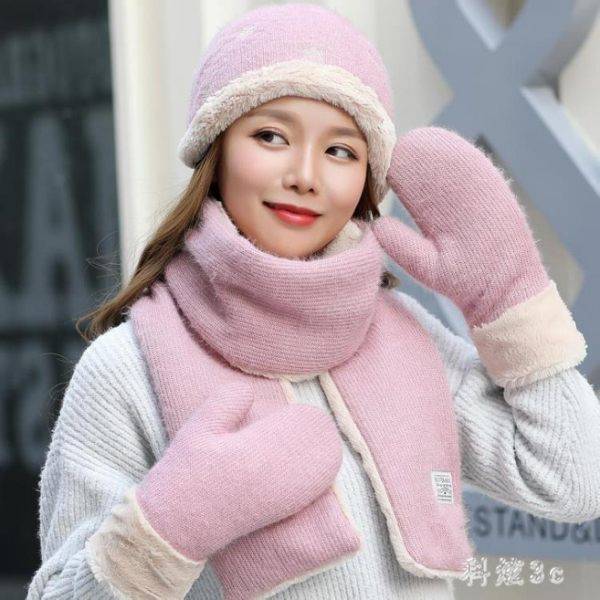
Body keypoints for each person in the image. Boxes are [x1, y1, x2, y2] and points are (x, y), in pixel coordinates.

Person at [27, 3, 600, 599]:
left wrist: (509, 298)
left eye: (340, 151)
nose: (305, 175)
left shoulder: (405, 336)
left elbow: (574, 481)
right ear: (215, 152)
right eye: (271, 136)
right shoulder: (127, 370)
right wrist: (166, 530)